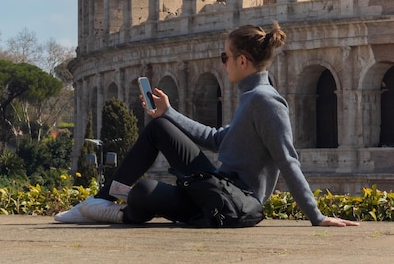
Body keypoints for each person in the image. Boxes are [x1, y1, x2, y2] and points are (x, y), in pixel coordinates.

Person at [55, 22, 359, 227]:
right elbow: (215, 139)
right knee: (159, 128)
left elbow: (288, 160)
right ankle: (105, 198)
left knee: (144, 192)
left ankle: (118, 211)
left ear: (242, 61)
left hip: (232, 202)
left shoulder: (266, 102)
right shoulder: (251, 96)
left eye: (224, 56)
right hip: (217, 184)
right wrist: (169, 112)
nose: (221, 62)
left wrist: (316, 217)